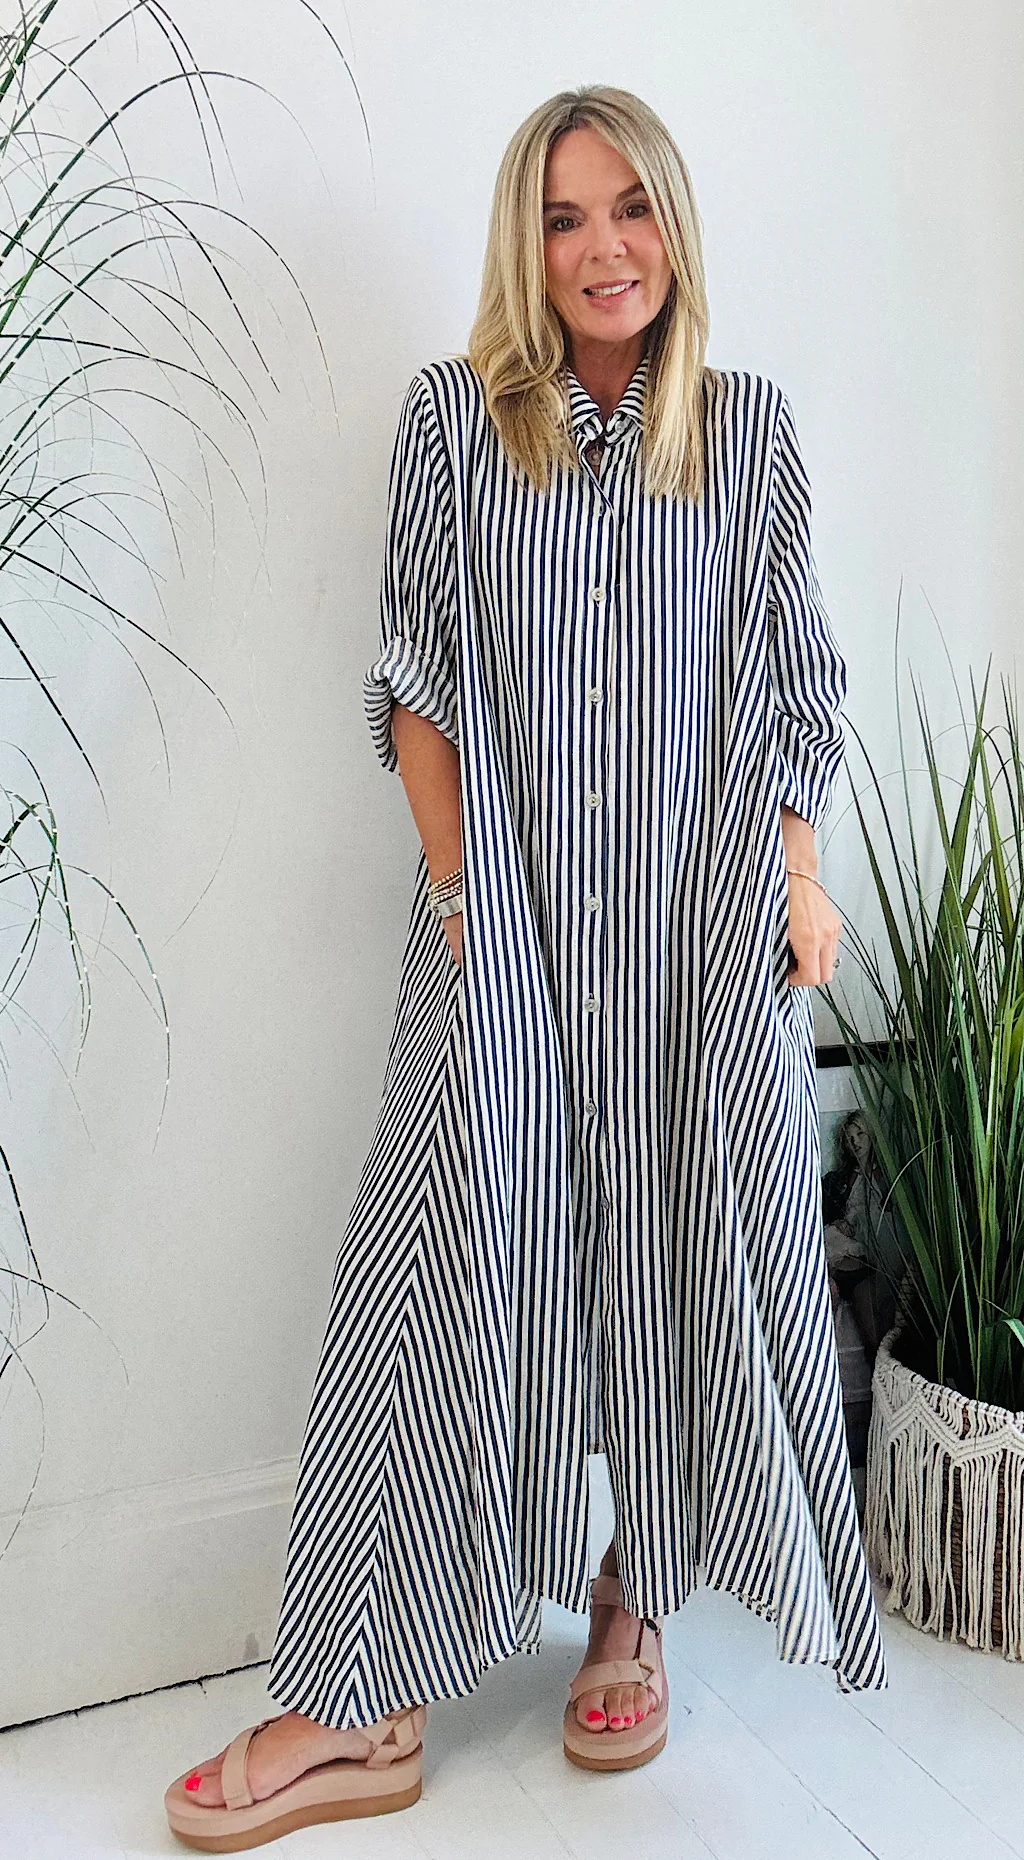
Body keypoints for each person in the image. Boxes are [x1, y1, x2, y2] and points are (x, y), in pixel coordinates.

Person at [165, 82, 887, 1853]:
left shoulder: (750, 433)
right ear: (526, 242)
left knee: (678, 1253)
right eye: (564, 218)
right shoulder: (457, 422)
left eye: (628, 208)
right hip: (502, 925)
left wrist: (800, 879)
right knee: (436, 1270)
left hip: (697, 930)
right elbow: (418, 672)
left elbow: (791, 677)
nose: (601, 248)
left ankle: (637, 1600)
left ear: (674, 223)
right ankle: (365, 1692)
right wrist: (460, 897)